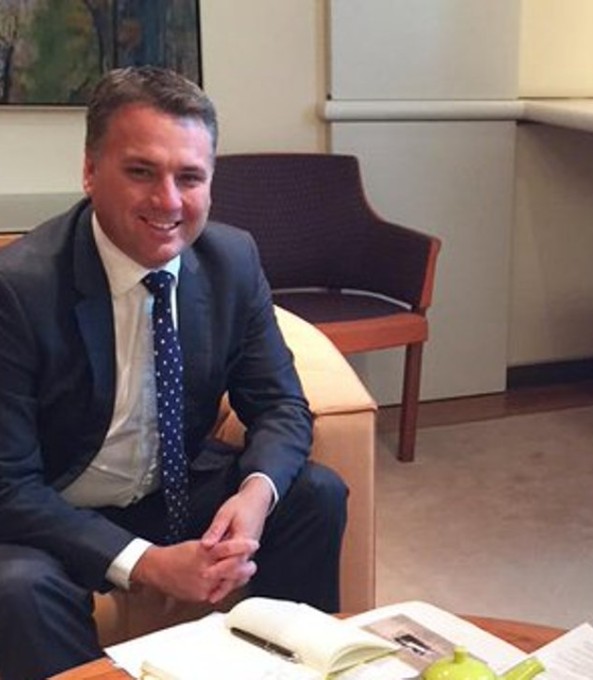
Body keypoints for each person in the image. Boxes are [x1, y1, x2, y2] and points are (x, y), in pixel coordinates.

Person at [0, 66, 348, 679]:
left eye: (190, 177)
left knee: (315, 494)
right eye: (141, 171)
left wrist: (255, 494)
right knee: (16, 588)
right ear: (89, 171)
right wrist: (146, 564)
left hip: (175, 488)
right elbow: (10, 486)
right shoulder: (20, 289)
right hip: (59, 507)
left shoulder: (231, 259)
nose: (168, 201)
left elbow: (281, 407)